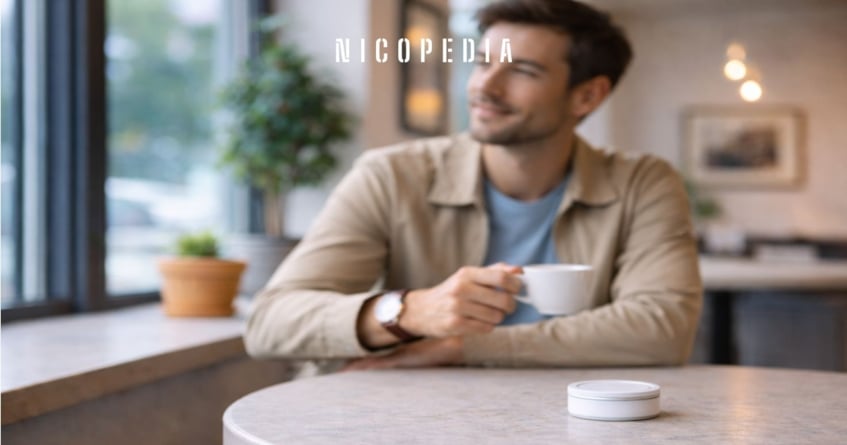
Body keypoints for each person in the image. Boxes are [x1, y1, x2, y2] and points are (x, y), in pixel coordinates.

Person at [245, 0, 702, 370]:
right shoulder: (391, 175)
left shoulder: (643, 183)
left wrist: (461, 347)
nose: (486, 86)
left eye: (522, 70)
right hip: (408, 420)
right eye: (483, 62)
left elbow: (661, 328)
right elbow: (270, 323)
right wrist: (410, 312)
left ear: (587, 95)